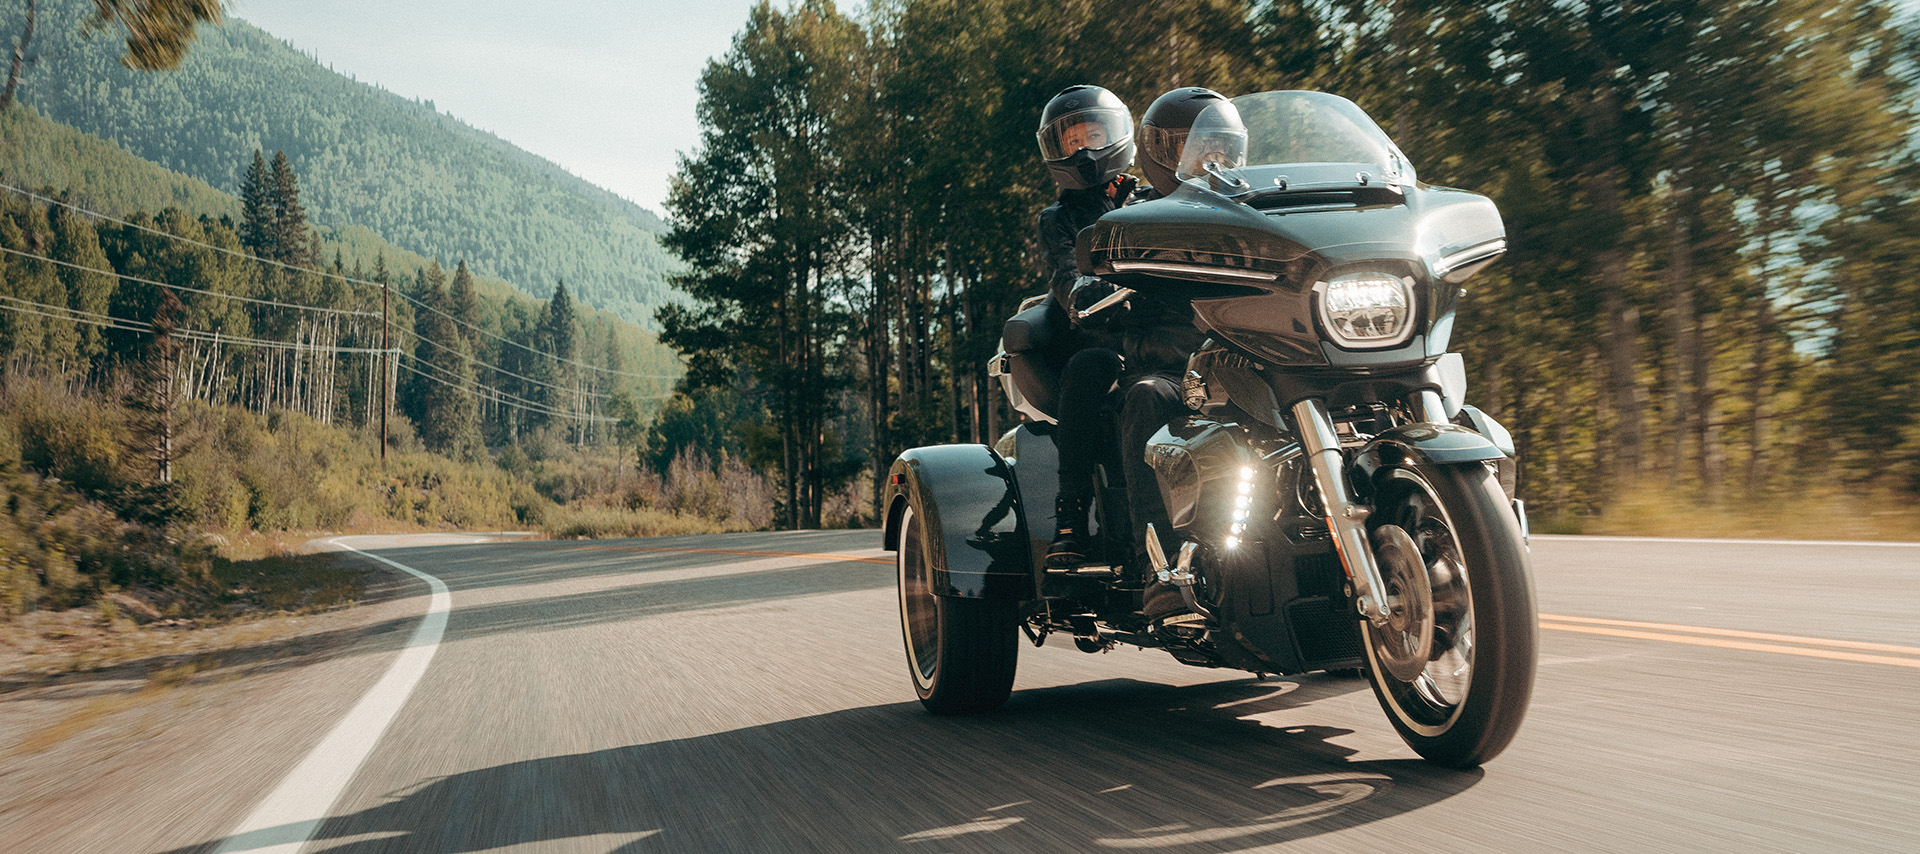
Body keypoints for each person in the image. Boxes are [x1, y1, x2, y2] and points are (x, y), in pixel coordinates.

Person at [1032, 84, 1137, 570]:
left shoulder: (1155, 199)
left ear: (1116, 134)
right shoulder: (1058, 218)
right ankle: (1071, 511)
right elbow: (1064, 273)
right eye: (1072, 140)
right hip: (1098, 335)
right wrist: (1081, 292)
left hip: (1165, 335)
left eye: (1093, 134)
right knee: (1089, 367)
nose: (1084, 149)